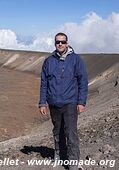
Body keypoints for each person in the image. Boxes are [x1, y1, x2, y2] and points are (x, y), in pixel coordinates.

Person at [38, 32, 88, 170]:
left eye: (63, 42)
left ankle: (73, 163)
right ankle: (59, 156)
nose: (60, 44)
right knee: (57, 132)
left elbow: (82, 81)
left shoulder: (76, 60)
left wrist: (81, 102)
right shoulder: (48, 61)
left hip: (70, 102)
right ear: (55, 44)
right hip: (54, 103)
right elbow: (44, 83)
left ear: (67, 43)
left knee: (71, 133)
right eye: (57, 42)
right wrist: (42, 102)